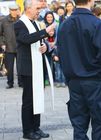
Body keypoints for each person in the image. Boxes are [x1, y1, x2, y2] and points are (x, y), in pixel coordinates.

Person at [57, 0, 101, 139]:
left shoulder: (64, 25)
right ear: (91, 1)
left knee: (79, 128)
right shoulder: (98, 24)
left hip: (74, 83)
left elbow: (61, 55)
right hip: (96, 83)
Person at [14, 0, 55, 139]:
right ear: (28, 9)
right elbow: (26, 39)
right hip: (27, 68)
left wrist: (45, 47)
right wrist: (45, 32)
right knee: (29, 101)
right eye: (37, 8)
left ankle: (36, 128)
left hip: (38, 65)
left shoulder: (36, 23)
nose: (39, 11)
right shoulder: (19, 24)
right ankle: (27, 131)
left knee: (38, 98)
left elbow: (39, 41)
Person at [0, 3, 22, 88]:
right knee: (9, 67)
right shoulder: (4, 20)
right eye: (12, 10)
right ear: (9, 11)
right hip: (8, 47)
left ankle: (21, 82)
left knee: (20, 66)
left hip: (20, 47)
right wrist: (2, 44)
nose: (14, 12)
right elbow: (0, 34)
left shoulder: (21, 20)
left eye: (16, 10)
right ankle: (10, 83)